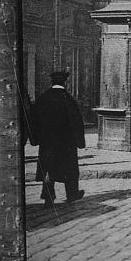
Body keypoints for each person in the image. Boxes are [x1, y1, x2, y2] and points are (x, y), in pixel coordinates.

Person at [29, 70, 86, 205]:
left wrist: (35, 139)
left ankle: (48, 196)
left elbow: (34, 120)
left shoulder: (43, 98)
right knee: (69, 169)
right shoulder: (68, 99)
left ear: (52, 82)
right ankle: (72, 194)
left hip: (47, 143)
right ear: (64, 82)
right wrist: (80, 141)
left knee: (48, 168)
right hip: (66, 143)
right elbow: (76, 122)